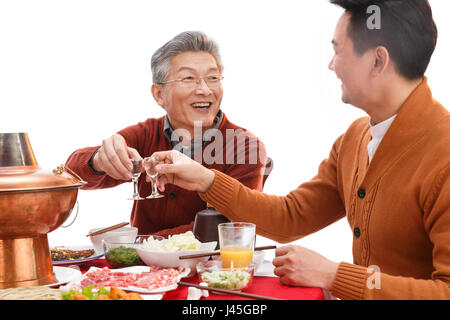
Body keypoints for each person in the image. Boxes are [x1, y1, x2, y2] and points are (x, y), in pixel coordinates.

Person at [148, 0, 450, 299]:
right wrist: (206, 180)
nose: (331, 65)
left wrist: (334, 275)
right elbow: (291, 217)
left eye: (337, 50)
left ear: (377, 61)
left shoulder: (443, 154)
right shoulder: (355, 139)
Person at [65, 31, 267, 237]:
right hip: (141, 268)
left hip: (212, 267)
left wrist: (143, 245)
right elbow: (70, 176)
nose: (205, 90)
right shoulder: (145, 134)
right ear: (159, 94)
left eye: (213, 78)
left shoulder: (244, 146)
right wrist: (99, 160)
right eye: (189, 78)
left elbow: (230, 227)